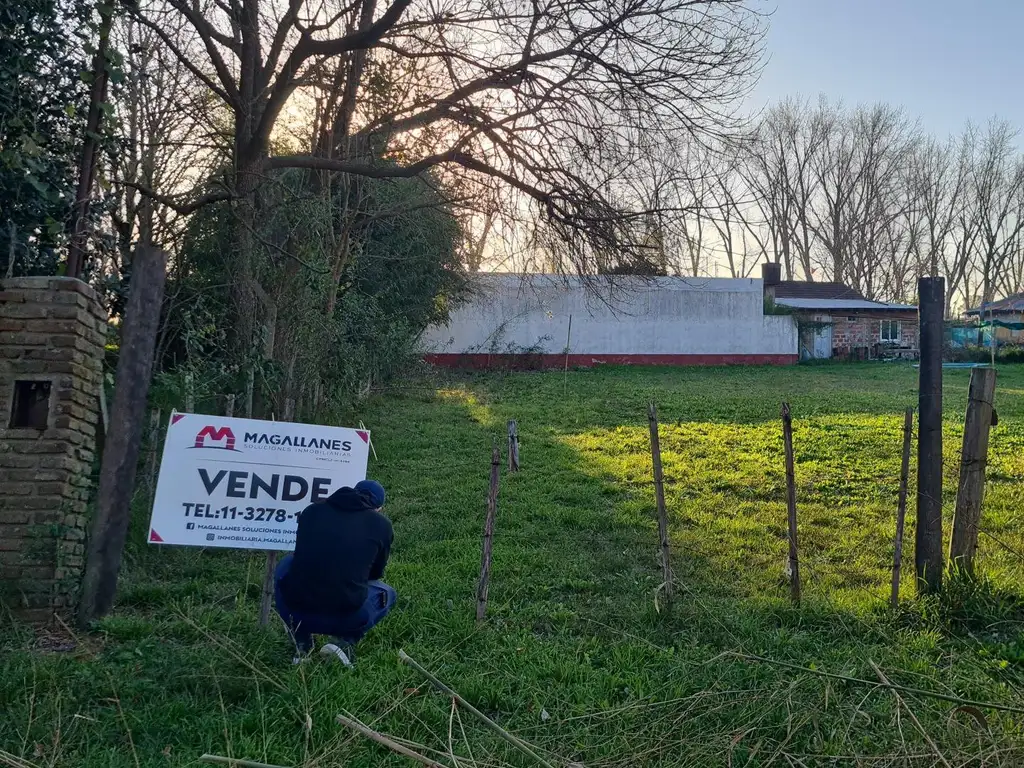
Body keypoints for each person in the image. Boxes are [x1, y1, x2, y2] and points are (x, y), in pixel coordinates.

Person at [274, 479, 395, 667]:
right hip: (345, 616)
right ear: (378, 508)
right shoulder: (381, 525)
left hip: (297, 611)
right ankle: (345, 642)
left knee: (286, 564)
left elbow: (300, 555)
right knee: (387, 593)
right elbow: (375, 573)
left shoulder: (312, 511)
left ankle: (302, 643)